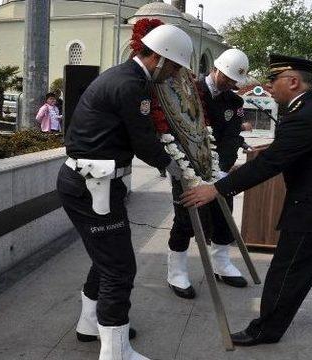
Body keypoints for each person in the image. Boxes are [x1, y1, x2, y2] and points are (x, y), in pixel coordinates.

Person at [181, 54, 312, 346]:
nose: (269, 87)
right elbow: (289, 152)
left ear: (293, 82)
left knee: (286, 273)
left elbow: (269, 165)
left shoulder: (304, 116)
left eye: (274, 81)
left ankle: (264, 331)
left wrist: (217, 188)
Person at [57, 24, 192, 360]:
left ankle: (91, 324)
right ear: (159, 59)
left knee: (106, 258)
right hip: (93, 187)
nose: (174, 74)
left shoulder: (126, 77)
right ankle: (116, 352)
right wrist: (175, 166)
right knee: (120, 269)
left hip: (94, 183)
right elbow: (143, 139)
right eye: (174, 67)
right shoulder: (132, 85)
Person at [166, 48, 250, 300]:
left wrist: (222, 168)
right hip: (188, 167)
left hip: (219, 169)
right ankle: (176, 271)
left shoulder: (234, 102)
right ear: (216, 69)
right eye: (229, 78)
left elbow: (232, 136)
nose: (232, 84)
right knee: (187, 217)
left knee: (224, 216)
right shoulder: (188, 90)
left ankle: (221, 264)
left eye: (236, 81)